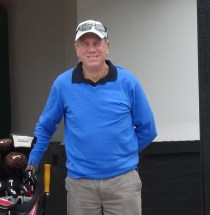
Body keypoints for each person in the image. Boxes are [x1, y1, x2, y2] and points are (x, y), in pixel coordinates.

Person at [26, 19, 156, 215]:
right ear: (77, 49)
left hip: (123, 183)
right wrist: (32, 162)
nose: (91, 49)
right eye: (85, 44)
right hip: (81, 185)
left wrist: (123, 152)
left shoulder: (129, 82)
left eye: (97, 43)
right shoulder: (63, 85)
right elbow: (46, 127)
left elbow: (148, 129)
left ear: (107, 46)